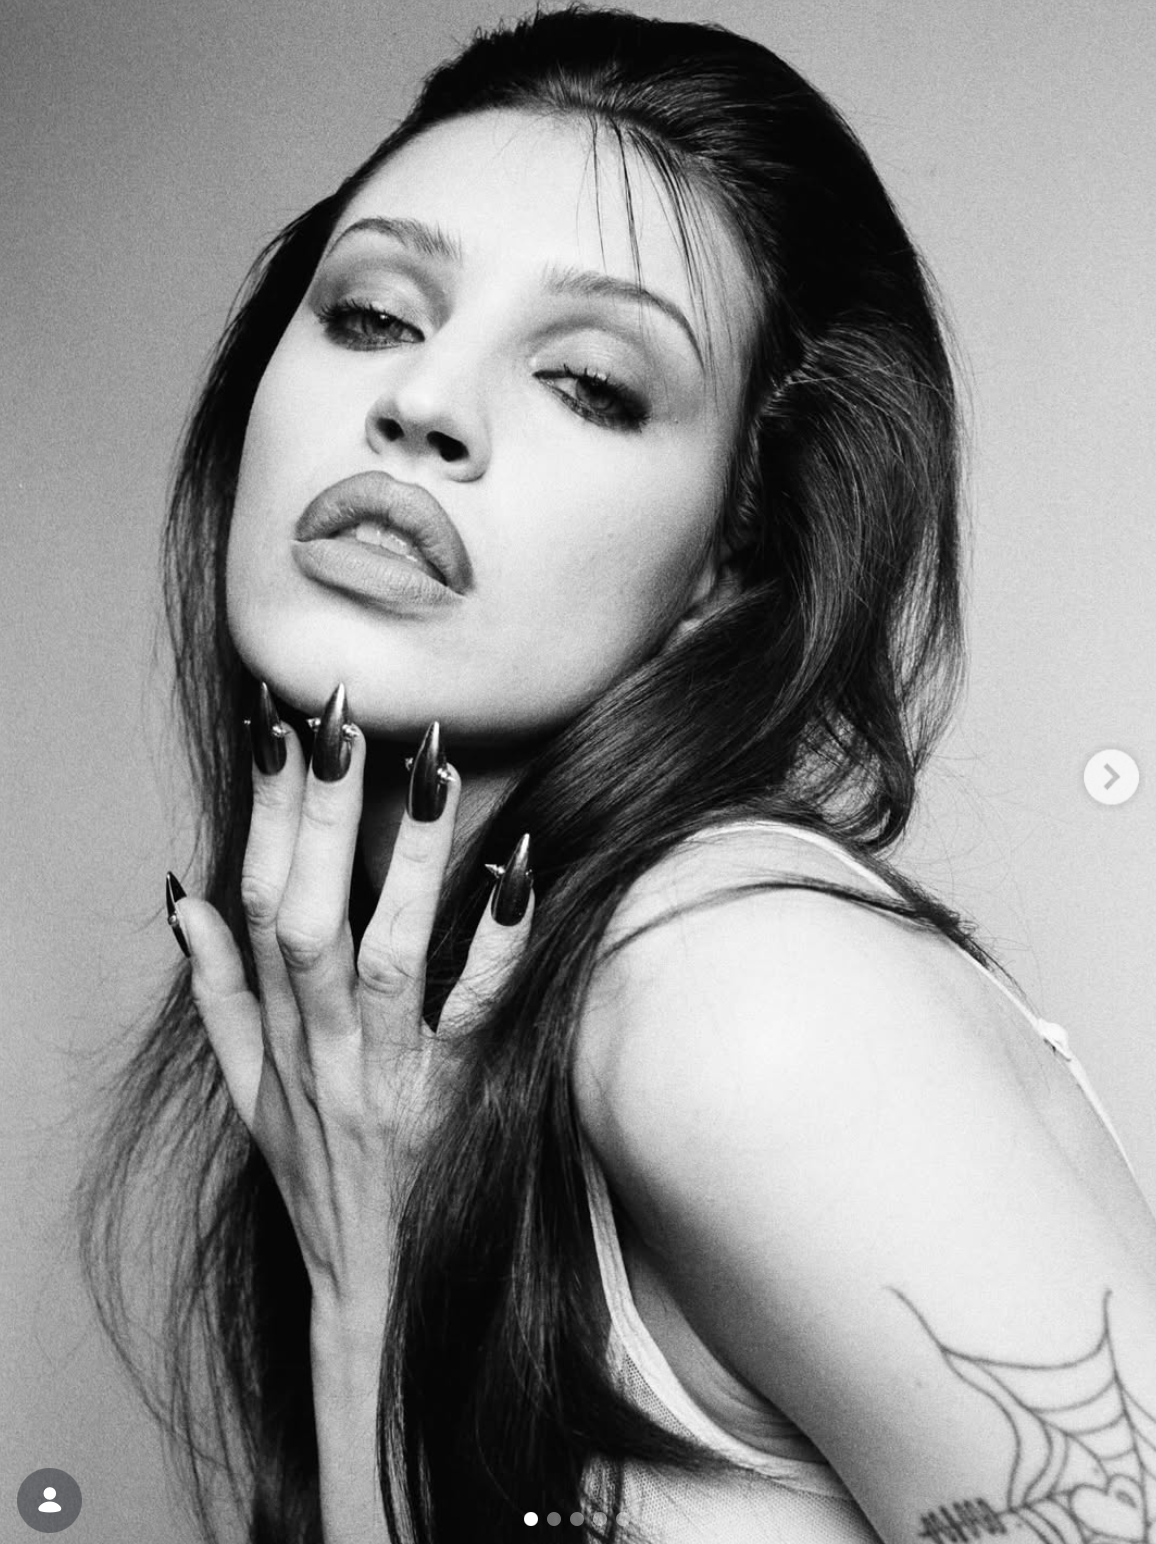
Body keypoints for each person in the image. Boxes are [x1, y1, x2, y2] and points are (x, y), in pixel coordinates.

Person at [75, 7, 1156, 1544]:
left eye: (589, 381)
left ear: (730, 564)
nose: (423, 404)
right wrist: (361, 1295)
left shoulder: (740, 1004)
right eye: (372, 314)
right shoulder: (382, 1098)